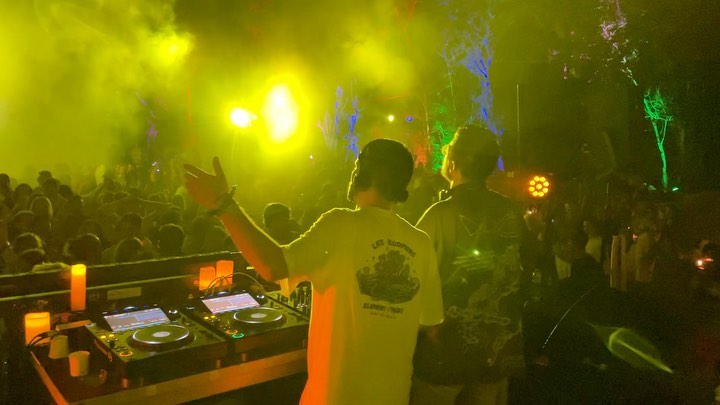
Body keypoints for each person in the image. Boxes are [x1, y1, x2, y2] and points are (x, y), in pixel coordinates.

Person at [184, 139, 444, 405]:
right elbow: (430, 321)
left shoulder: (340, 224)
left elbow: (273, 266)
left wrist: (223, 204)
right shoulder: (420, 243)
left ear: (362, 174)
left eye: (357, 166)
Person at [411, 125, 524, 405]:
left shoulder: (438, 215)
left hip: (443, 354)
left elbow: (412, 276)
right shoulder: (510, 210)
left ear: (453, 163)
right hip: (496, 352)